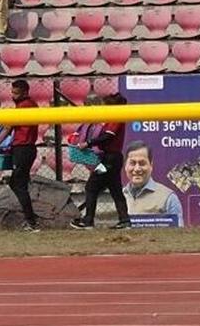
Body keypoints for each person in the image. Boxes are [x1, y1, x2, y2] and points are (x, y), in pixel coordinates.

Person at [71, 93, 131, 230]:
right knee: (115, 190)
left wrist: (89, 143)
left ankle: (88, 221)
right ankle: (124, 220)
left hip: (110, 159)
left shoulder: (115, 117)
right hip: (112, 158)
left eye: (105, 105)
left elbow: (108, 136)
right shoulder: (112, 117)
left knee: (91, 187)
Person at [0, 79, 40, 231]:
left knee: (17, 184)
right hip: (23, 148)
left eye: (16, 93)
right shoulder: (29, 104)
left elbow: (7, 129)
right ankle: (30, 218)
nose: (13, 95)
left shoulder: (24, 106)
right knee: (19, 184)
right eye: (12, 92)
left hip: (23, 149)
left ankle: (31, 220)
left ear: (25, 92)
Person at [123, 140, 184, 227]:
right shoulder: (118, 198)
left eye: (142, 163)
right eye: (132, 163)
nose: (137, 169)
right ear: (125, 166)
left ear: (151, 166)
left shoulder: (168, 198)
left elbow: (179, 235)